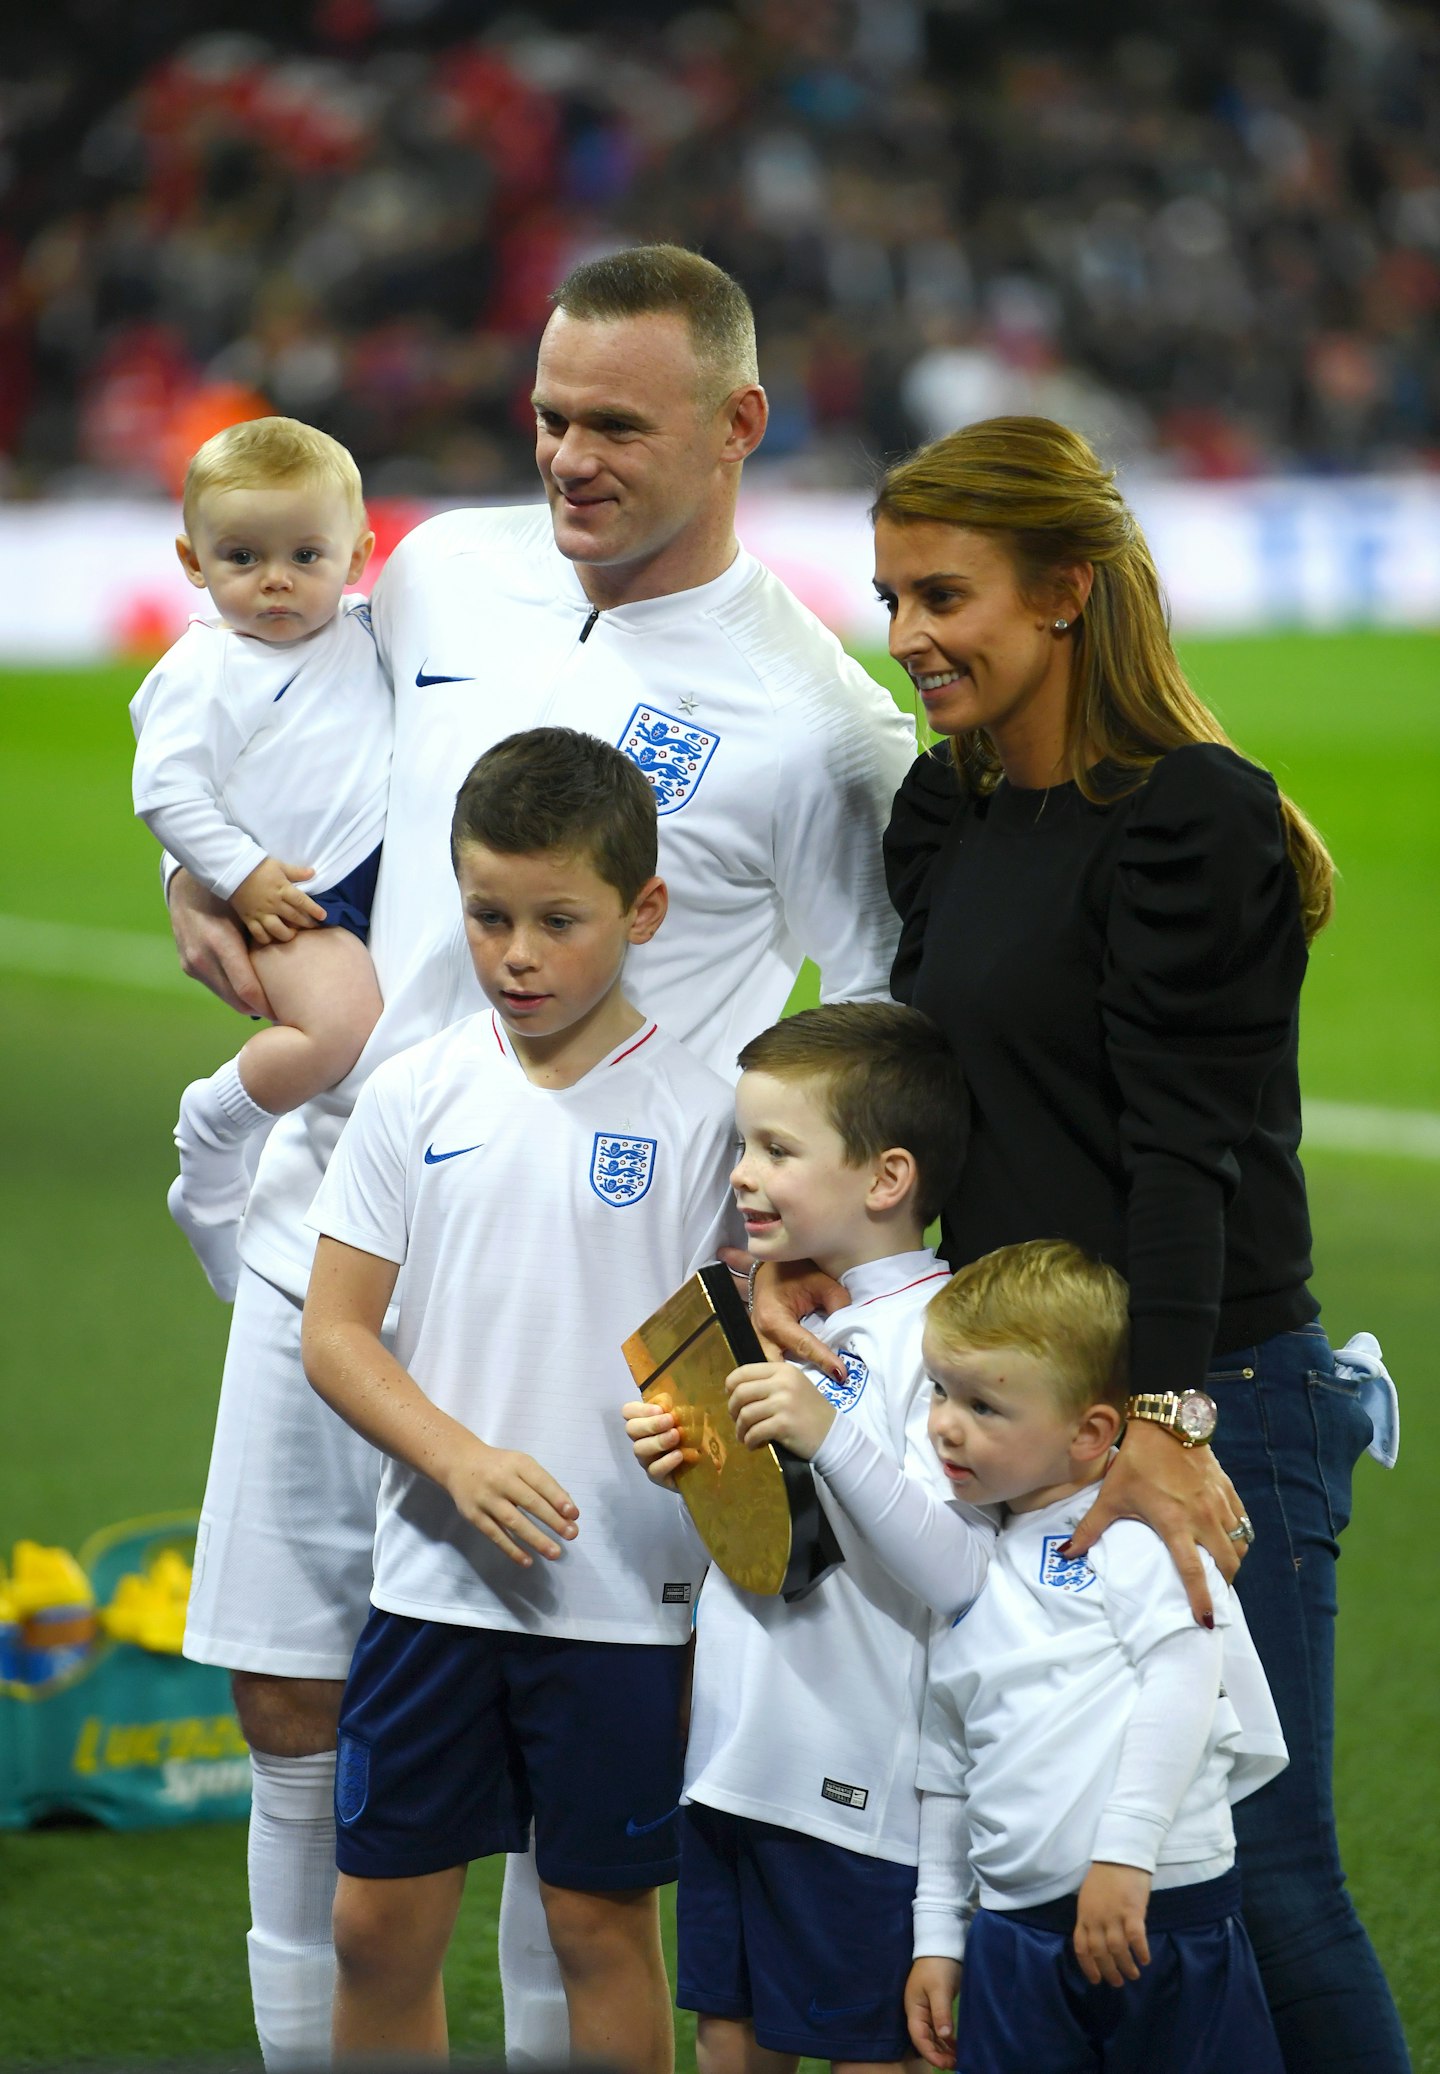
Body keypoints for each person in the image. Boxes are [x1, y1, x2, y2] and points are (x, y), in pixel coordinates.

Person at [163, 244, 915, 2069]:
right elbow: (291, 772)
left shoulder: (817, 721)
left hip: (614, 1283)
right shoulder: (439, 570)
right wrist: (207, 891)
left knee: (567, 1750)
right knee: (290, 1692)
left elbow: (881, 1010)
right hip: (336, 1226)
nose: (569, 457)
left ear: (739, 426)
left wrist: (807, 1255)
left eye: (616, 426)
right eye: (549, 417)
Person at [867, 416, 1408, 2071]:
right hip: (1031, 1420)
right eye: (890, 596)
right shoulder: (948, 807)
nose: (906, 638)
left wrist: (1169, 1423)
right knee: (1052, 1871)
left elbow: (1195, 1149)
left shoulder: (1195, 815)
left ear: (1067, 591)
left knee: (1265, 1877)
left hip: (1205, 1392)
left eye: (945, 594)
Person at [301, 727, 738, 2068]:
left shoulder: (708, 1114)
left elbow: (745, 1352)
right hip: (433, 1586)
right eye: (489, 915)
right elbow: (335, 1332)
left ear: (643, 910)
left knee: (599, 1927)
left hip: (622, 1600)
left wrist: (707, 1431)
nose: (518, 955)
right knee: (378, 1927)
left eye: (560, 919)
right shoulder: (414, 1093)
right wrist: (459, 1459)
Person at [624, 1002, 994, 2074]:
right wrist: (691, 1464)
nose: (743, 1172)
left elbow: (961, 1572)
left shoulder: (947, 1339)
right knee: (727, 2044)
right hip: (732, 1766)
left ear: (885, 1178)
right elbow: (773, 1545)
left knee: (873, 2050)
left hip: (854, 1793)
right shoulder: (800, 1321)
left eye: (777, 1149)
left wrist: (827, 1435)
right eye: (745, 1143)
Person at [906, 1240, 1289, 2074]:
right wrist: (940, 1932)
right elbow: (946, 1761)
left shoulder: (1132, 1534)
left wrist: (1125, 1852)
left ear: (1091, 1433)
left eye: (983, 1405)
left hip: (1160, 1901)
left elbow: (1188, 1673)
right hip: (1011, 1926)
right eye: (939, 1389)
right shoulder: (964, 1554)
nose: (944, 1422)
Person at [130, 416, 388, 1302]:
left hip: (376, 879)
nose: (276, 580)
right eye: (241, 557)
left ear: (357, 555)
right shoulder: (204, 668)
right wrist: (237, 877)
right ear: (193, 562)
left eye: (305, 557)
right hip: (289, 897)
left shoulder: (372, 632)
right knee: (340, 1031)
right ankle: (213, 1133)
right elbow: (164, 791)